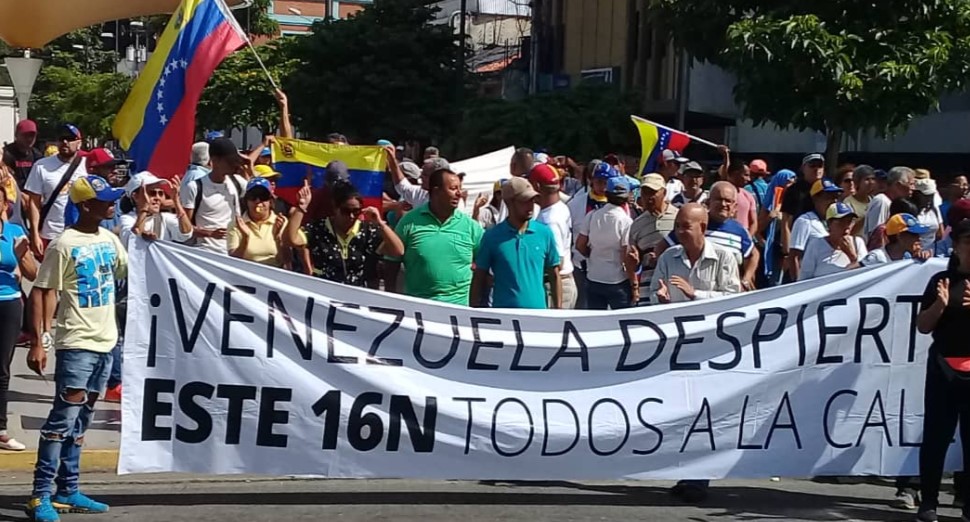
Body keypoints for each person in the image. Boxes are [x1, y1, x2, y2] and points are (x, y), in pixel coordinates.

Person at [25, 175, 127, 522]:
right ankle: (40, 496)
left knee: (83, 420)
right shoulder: (63, 244)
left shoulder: (110, 239)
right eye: (105, 200)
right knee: (62, 419)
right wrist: (40, 340)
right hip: (77, 344)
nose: (111, 205)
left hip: (106, 342)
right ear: (85, 206)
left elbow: (133, 270)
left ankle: (68, 489)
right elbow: (41, 289)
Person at [914, 219, 970, 522]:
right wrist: (940, 305)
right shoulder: (941, 279)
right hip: (943, 368)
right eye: (968, 241)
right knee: (936, 438)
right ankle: (929, 503)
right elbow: (923, 326)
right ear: (958, 247)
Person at [385, 169, 483, 305]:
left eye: (460, 188)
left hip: (460, 310)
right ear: (436, 191)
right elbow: (391, 263)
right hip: (418, 309)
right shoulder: (409, 222)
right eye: (453, 189)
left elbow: (484, 265)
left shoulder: (471, 227)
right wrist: (389, 303)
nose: (459, 193)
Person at [287, 180, 404, 286]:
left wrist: (380, 224)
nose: (351, 216)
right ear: (335, 208)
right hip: (324, 294)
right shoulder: (319, 228)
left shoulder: (368, 231)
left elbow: (398, 251)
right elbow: (292, 239)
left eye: (356, 211)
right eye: (346, 211)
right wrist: (301, 207)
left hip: (358, 296)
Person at [471, 177, 560, 309]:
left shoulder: (544, 233)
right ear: (509, 202)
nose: (531, 205)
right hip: (504, 320)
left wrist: (559, 311)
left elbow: (554, 274)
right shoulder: (492, 237)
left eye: (532, 200)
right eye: (524, 201)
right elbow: (479, 278)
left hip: (539, 317)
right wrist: (472, 313)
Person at [659, 182, 759, 291]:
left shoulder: (739, 230)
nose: (723, 204)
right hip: (690, 293)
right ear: (708, 202)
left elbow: (754, 254)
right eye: (719, 199)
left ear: (735, 206)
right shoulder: (694, 224)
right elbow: (662, 247)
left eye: (728, 201)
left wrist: (746, 278)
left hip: (725, 294)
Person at [0, 184, 37, 451]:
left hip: (9, 303)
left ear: (5, 206)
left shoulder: (14, 233)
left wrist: (21, 256)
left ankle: (0, 428)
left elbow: (33, 273)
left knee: (2, 368)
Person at [651, 202, 741, 303]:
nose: (680, 231)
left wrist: (695, 294)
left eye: (686, 226)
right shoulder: (667, 257)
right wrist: (659, 297)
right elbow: (653, 293)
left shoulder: (723, 257)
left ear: (702, 228)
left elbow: (732, 296)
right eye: (677, 226)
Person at [24, 124, 87, 258]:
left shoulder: (87, 166)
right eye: (61, 138)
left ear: (79, 142)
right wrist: (34, 234)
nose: (65, 142)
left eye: (70, 138)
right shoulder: (41, 166)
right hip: (51, 233)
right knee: (51, 277)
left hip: (81, 233)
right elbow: (33, 203)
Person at [576, 177, 638, 309]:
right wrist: (634, 286)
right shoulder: (626, 221)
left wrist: (591, 255)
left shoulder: (592, 215)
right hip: (617, 280)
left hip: (594, 278)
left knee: (597, 325)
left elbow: (580, 245)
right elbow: (625, 257)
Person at [179, 138, 247, 254]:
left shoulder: (238, 182)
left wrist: (248, 167)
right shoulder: (195, 187)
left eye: (235, 160)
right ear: (215, 160)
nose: (234, 165)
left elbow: (260, 196)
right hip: (205, 252)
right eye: (230, 161)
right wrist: (209, 233)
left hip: (233, 252)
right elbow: (184, 228)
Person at [567, 160, 614, 309]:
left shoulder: (620, 206)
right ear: (591, 181)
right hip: (580, 268)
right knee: (582, 309)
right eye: (600, 181)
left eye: (607, 182)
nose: (603, 187)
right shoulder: (575, 204)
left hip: (609, 268)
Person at [530, 164, 577, 309]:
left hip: (556, 286)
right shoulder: (560, 207)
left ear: (537, 186)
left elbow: (557, 263)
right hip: (562, 282)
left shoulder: (550, 220)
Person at [629, 174, 678, 304]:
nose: (649, 197)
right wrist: (636, 261)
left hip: (676, 284)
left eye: (653, 192)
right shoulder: (636, 224)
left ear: (664, 193)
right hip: (648, 286)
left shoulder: (679, 217)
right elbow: (633, 264)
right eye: (645, 193)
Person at [226, 178, 289, 267]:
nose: (258, 201)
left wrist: (278, 238)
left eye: (263, 196)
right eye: (253, 196)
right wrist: (245, 238)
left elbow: (286, 260)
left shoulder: (281, 221)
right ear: (246, 201)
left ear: (270, 201)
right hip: (246, 274)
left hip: (274, 273)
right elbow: (233, 261)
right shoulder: (236, 224)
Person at [798, 202, 868, 280]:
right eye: (841, 222)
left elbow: (865, 276)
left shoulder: (858, 243)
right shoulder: (816, 245)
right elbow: (804, 278)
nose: (847, 226)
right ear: (829, 224)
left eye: (850, 222)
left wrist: (852, 256)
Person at [789, 178, 842, 280]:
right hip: (810, 281)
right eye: (829, 197)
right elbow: (794, 257)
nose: (834, 201)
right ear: (815, 199)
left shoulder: (837, 222)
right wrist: (797, 286)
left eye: (836, 196)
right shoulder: (805, 221)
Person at [781, 153, 826, 271]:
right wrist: (787, 252)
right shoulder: (794, 190)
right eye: (812, 166)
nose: (817, 169)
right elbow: (786, 221)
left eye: (820, 166)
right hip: (799, 242)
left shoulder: (828, 188)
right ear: (803, 168)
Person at [760, 169, 797, 287]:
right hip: (775, 252)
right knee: (776, 285)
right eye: (788, 180)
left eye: (794, 180)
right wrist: (769, 218)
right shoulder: (770, 203)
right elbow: (757, 228)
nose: (792, 183)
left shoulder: (797, 201)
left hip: (794, 249)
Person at [865, 166, 916, 244]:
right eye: (911, 184)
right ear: (898, 184)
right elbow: (877, 234)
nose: (913, 188)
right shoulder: (881, 201)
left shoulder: (894, 203)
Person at [861, 213, 931, 266]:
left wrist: (920, 259)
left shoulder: (908, 257)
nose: (919, 238)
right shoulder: (877, 257)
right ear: (899, 236)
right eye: (914, 234)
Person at [3, 119, 43, 188]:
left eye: (32, 135)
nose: (29, 139)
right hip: (12, 193)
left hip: (32, 194)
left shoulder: (37, 156)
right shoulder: (6, 154)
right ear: (16, 135)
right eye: (26, 135)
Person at [725, 159, 758, 237]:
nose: (749, 179)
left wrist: (747, 239)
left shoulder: (748, 196)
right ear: (734, 174)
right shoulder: (719, 193)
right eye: (746, 175)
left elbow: (754, 223)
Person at [914, 178, 944, 253]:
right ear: (917, 194)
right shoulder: (911, 210)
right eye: (926, 195)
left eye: (931, 195)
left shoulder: (935, 210)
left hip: (933, 253)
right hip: (915, 253)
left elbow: (941, 234)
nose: (929, 199)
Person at [845, 165, 877, 237]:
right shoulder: (848, 203)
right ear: (857, 182)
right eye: (867, 179)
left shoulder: (875, 201)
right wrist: (867, 214)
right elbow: (850, 230)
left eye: (873, 179)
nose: (871, 182)